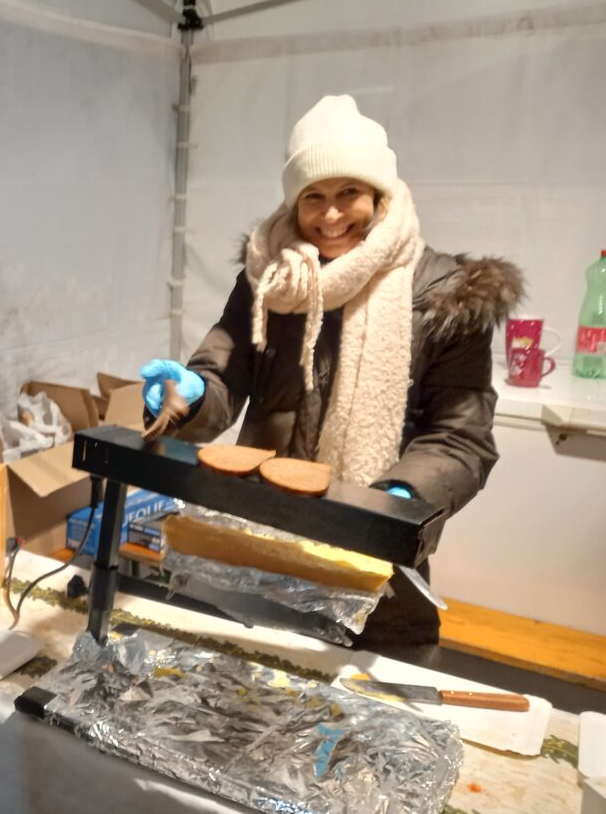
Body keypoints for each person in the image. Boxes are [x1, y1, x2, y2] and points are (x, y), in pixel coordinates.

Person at [142, 95, 522, 647]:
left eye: (349, 192)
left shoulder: (445, 296)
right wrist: (193, 394)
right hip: (261, 545)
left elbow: (461, 439)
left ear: (380, 194)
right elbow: (224, 372)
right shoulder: (271, 280)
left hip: (377, 570)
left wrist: (391, 501)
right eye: (312, 197)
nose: (331, 216)